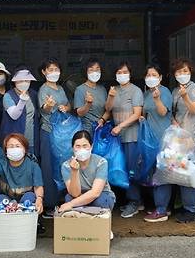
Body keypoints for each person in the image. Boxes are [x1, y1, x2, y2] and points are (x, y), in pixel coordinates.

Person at [100, 61, 144, 219]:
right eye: (119, 72)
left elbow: (137, 114)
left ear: (130, 73)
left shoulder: (136, 91)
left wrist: (121, 126)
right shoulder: (114, 90)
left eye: (125, 72)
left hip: (131, 135)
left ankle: (135, 201)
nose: (122, 75)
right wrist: (110, 98)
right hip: (116, 138)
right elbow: (108, 109)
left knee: (132, 169)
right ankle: (126, 200)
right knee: (119, 168)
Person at [170, 57, 195, 223]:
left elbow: (194, 109)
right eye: (178, 72)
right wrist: (174, 121)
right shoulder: (175, 91)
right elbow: (173, 112)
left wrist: (185, 97)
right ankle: (184, 207)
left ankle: (192, 210)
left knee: (189, 173)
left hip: (191, 139)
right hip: (178, 139)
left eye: (185, 71)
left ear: (191, 72)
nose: (182, 74)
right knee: (180, 173)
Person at [38, 58, 73, 216]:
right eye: (50, 69)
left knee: (62, 164)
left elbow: (68, 105)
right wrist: (49, 105)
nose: (54, 73)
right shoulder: (43, 89)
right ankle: (49, 204)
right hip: (49, 131)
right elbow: (44, 110)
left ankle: (63, 200)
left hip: (62, 134)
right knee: (48, 166)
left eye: (56, 69)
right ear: (44, 72)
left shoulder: (60, 88)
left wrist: (66, 107)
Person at [139, 64, 174, 223]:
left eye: (154, 75)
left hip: (163, 138)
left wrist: (157, 99)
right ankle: (161, 206)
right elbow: (147, 113)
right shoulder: (146, 93)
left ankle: (161, 209)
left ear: (160, 77)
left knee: (162, 174)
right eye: (148, 75)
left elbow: (163, 112)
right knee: (154, 173)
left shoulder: (164, 92)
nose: (150, 78)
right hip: (150, 140)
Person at [58, 130, 116, 212]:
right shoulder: (66, 166)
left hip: (100, 195)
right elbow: (75, 194)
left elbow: (95, 192)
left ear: (91, 147)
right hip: (79, 195)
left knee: (100, 201)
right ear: (73, 148)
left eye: (85, 146)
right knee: (68, 197)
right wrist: (74, 172)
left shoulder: (101, 162)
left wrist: (71, 204)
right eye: (77, 146)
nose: (82, 149)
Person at [0, 133, 44, 214]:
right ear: (5, 150)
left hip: (25, 198)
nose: (14, 149)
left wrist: (39, 199)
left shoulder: (33, 165)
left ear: (25, 149)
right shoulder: (2, 163)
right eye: (11, 146)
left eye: (18, 146)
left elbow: (38, 186)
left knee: (30, 197)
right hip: (6, 198)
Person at [0, 67, 40, 151]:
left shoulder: (34, 94)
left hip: (31, 139)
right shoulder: (8, 96)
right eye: (20, 80)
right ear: (14, 81)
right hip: (14, 140)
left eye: (27, 80)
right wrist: (22, 100)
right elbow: (14, 115)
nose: (24, 83)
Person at [74, 58, 107, 133]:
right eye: (91, 70)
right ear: (86, 72)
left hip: (100, 129)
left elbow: (108, 110)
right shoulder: (80, 89)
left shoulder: (102, 89)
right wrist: (88, 104)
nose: (95, 72)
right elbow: (79, 113)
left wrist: (102, 120)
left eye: (97, 69)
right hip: (87, 130)